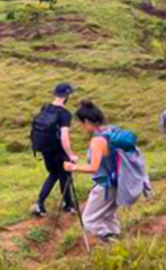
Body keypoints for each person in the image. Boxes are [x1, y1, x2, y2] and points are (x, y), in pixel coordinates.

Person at [63, 100, 120, 242]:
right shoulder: (113, 130)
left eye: (82, 124)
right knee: (108, 216)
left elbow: (93, 168)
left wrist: (73, 167)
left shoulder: (97, 141)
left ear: (87, 121)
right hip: (119, 181)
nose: (82, 127)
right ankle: (118, 244)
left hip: (105, 186)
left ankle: (111, 244)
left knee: (89, 220)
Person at [31, 83, 79, 217]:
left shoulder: (45, 107)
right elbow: (64, 137)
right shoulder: (65, 114)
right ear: (67, 96)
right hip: (58, 150)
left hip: (45, 148)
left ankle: (42, 204)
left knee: (55, 173)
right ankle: (67, 205)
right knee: (63, 174)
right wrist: (71, 155)